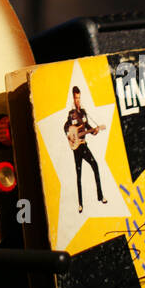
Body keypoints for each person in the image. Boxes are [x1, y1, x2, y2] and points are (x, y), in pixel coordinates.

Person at [64, 86, 107, 214]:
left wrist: (95, 130)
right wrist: (69, 135)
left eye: (79, 98)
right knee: (79, 175)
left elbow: (88, 127)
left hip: (84, 145)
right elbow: (66, 127)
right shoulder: (71, 114)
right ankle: (80, 204)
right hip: (76, 149)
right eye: (76, 98)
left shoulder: (83, 112)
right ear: (73, 98)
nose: (78, 100)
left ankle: (100, 196)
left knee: (95, 165)